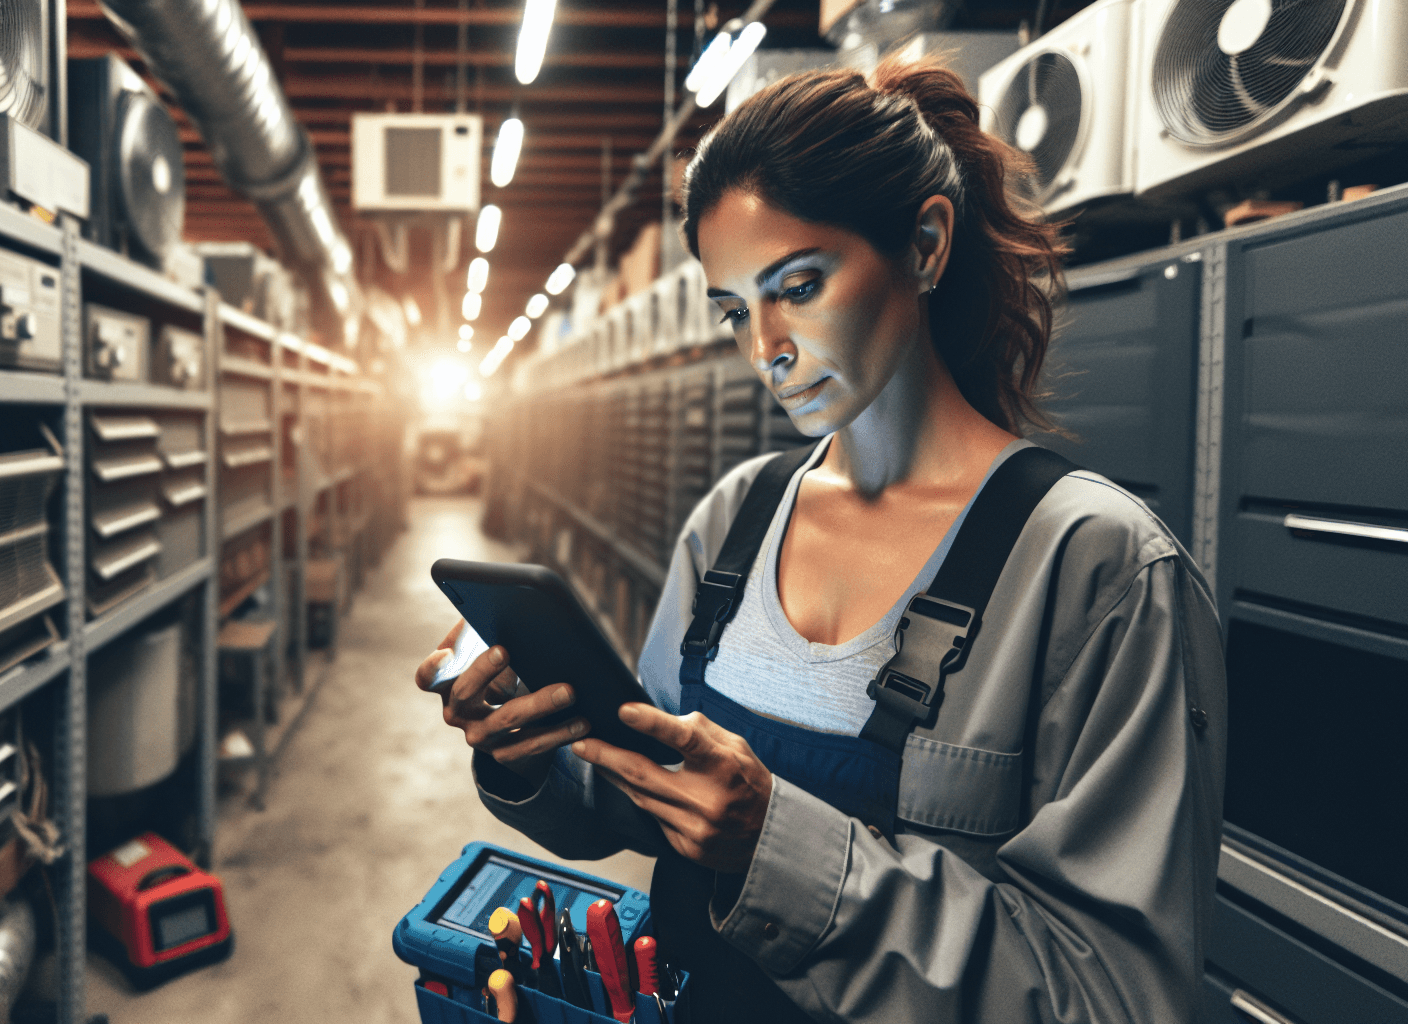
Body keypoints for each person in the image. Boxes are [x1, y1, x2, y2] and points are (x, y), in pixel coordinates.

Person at [416, 58, 1226, 1023]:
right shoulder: (734, 520)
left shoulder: (1098, 569)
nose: (765, 349)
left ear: (925, 245)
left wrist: (781, 851)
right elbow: (645, 799)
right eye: (734, 311)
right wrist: (530, 746)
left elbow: (1117, 998)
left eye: (798, 286)